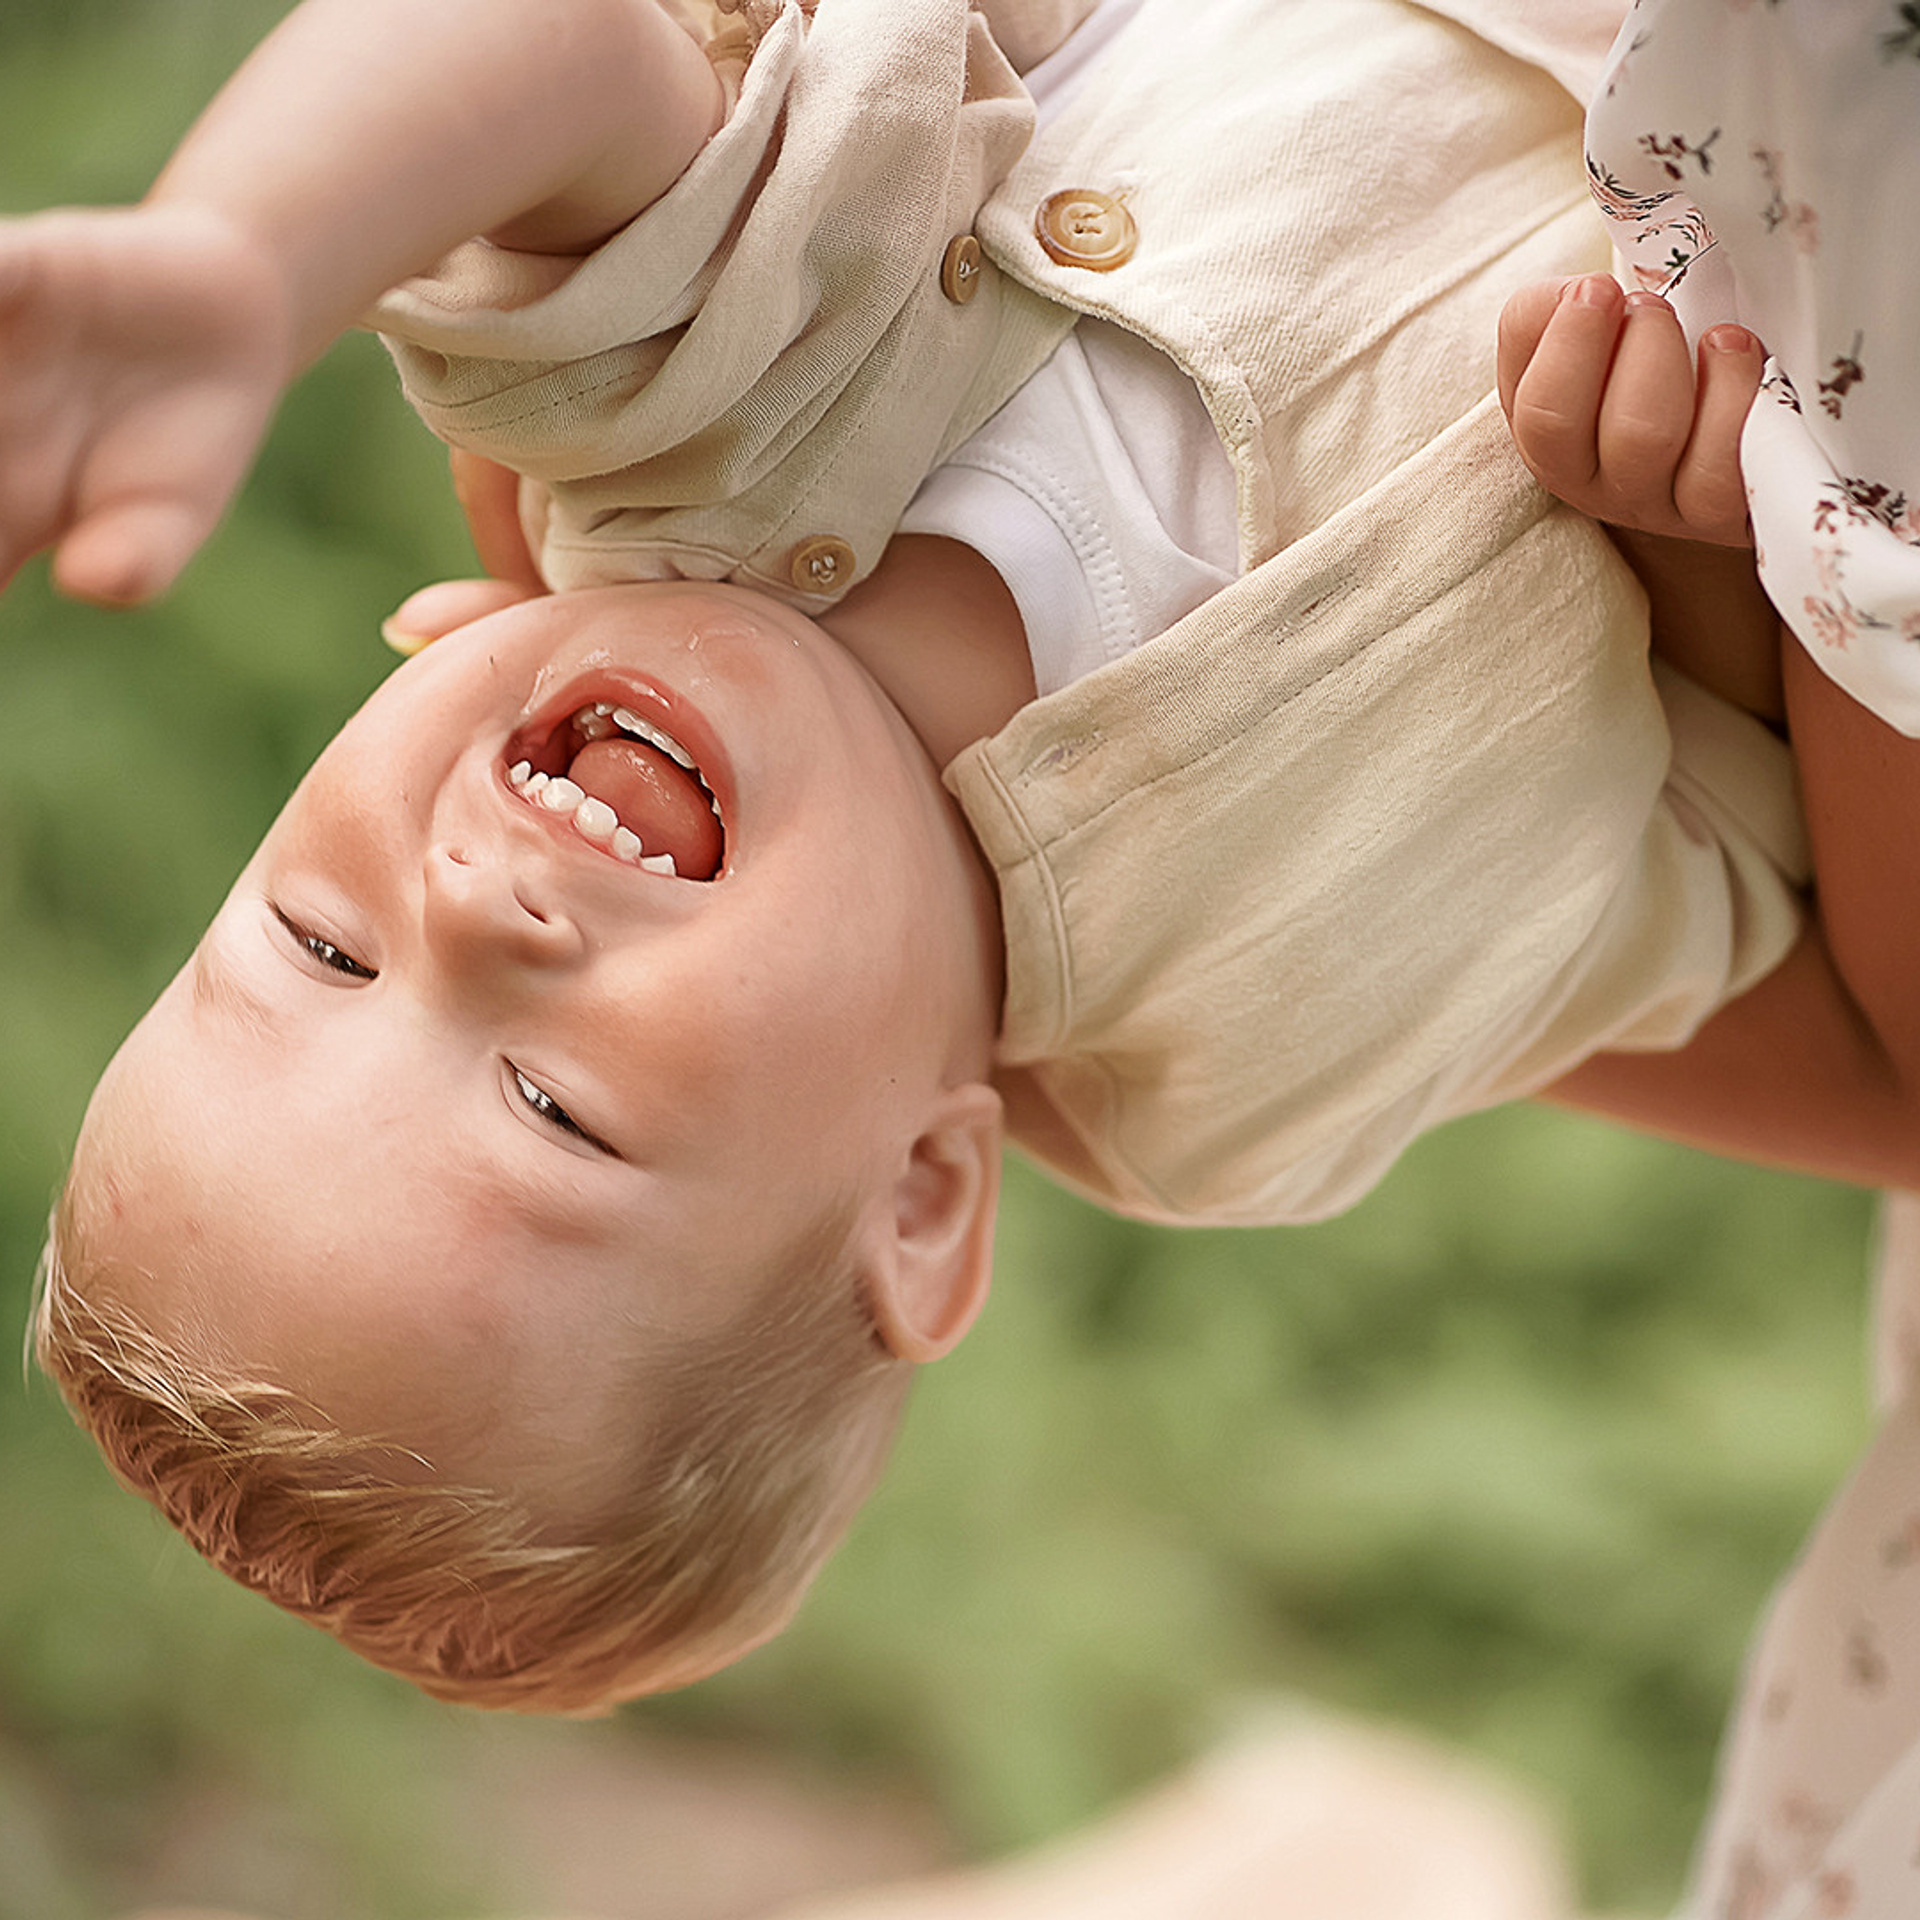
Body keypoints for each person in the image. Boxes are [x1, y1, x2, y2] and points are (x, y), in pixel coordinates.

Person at [13, 0, 1907, 1716]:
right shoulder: (1257, 1067)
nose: (466, 911)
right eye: (549, 1107)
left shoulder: (684, 432)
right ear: (918, 1200)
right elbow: (1733, 843)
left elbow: (567, 54)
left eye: (325, 947)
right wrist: (1706, 546)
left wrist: (247, 256)